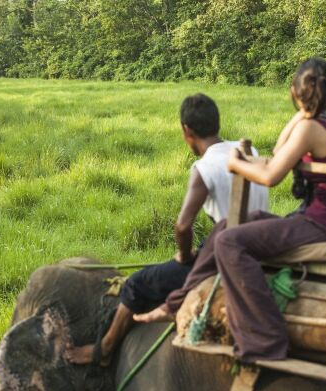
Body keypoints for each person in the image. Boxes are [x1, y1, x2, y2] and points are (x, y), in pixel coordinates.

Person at [136, 59, 326, 362]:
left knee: (231, 241)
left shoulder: (312, 127)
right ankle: (176, 303)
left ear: (295, 92)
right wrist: (304, 111)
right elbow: (281, 151)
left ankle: (264, 338)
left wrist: (236, 164)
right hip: (325, 217)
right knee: (228, 225)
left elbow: (271, 175)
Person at [65, 93, 268, 365]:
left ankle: (104, 349)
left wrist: (184, 256)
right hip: (259, 244)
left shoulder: (204, 167)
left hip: (227, 256)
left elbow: (183, 225)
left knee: (136, 284)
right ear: (216, 123)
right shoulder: (248, 151)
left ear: (187, 131)